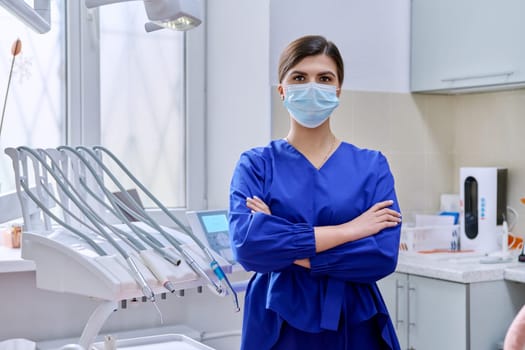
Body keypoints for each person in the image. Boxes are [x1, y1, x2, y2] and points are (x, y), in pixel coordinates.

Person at [228, 35, 402, 350]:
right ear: (282, 90)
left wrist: (286, 246)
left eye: (324, 78)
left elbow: (381, 256)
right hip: (277, 322)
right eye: (299, 77)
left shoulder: (371, 165)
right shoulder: (256, 164)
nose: (312, 86)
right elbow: (249, 247)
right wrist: (350, 230)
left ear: (337, 91)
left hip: (354, 319)